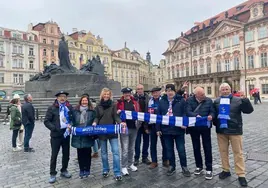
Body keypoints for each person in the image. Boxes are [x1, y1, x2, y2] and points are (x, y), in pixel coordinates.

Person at [213, 83, 254, 187]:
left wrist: (245, 99)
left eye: (227, 89)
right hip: (221, 131)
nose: (225, 91)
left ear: (230, 90)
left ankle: (241, 175)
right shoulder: (217, 101)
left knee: (238, 153)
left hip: (235, 130)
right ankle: (225, 170)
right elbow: (214, 115)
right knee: (223, 151)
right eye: (223, 89)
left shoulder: (238, 100)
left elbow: (249, 111)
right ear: (220, 91)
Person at [156, 84, 191, 177]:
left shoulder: (181, 100)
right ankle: (172, 166)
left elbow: (185, 113)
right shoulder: (162, 101)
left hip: (178, 130)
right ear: (166, 92)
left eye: (171, 91)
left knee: (181, 149)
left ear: (174, 92)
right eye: (168, 91)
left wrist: (185, 123)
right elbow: (158, 116)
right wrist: (158, 128)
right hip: (166, 130)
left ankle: (184, 166)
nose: (170, 92)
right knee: (169, 150)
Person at [93, 88, 123, 181]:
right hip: (102, 132)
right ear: (102, 95)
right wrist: (94, 122)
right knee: (104, 153)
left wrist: (120, 122)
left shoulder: (113, 105)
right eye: (105, 94)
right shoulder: (98, 106)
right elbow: (97, 117)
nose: (106, 96)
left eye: (108, 94)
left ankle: (117, 172)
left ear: (110, 95)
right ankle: (105, 169)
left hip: (112, 132)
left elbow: (115, 116)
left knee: (116, 153)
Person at [186, 87, 215, 180]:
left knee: (207, 147)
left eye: (204, 94)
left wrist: (211, 116)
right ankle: (199, 166)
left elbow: (213, 111)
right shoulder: (189, 100)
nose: (204, 96)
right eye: (201, 95)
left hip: (205, 127)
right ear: (196, 95)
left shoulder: (209, 100)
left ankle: (209, 169)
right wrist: (196, 116)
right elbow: (188, 111)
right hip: (194, 128)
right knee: (196, 147)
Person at [44, 91, 73, 184]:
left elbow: (73, 118)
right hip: (56, 135)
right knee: (54, 155)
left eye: (64, 96)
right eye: (60, 96)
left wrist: (71, 125)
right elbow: (46, 121)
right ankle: (52, 173)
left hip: (66, 134)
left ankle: (64, 170)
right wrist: (54, 128)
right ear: (57, 98)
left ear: (66, 98)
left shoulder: (69, 107)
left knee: (66, 154)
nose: (62, 98)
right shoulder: (52, 108)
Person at [71, 95, 95, 179]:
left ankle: (87, 169)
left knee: (88, 154)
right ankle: (82, 170)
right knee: (80, 154)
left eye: (86, 101)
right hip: (79, 136)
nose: (84, 102)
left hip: (88, 135)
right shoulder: (75, 111)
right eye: (83, 100)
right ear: (80, 101)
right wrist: (69, 125)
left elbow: (95, 120)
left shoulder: (92, 111)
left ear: (88, 101)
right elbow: (72, 120)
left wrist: (94, 125)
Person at [117, 87, 139, 176]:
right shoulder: (119, 103)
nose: (127, 94)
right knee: (125, 149)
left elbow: (139, 113)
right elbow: (116, 115)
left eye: (128, 93)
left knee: (131, 147)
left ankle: (130, 164)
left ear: (130, 93)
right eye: (125, 93)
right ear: (123, 94)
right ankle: (124, 166)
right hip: (124, 128)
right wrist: (118, 115)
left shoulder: (135, 102)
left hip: (134, 127)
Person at [145, 87, 168, 169]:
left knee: (164, 144)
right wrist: (146, 126)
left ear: (160, 92)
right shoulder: (149, 102)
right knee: (153, 145)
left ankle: (165, 160)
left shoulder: (164, 101)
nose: (155, 94)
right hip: (152, 125)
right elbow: (146, 114)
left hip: (162, 125)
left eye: (156, 92)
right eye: (153, 93)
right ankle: (154, 161)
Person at [133, 84, 151, 166]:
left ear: (143, 89)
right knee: (137, 141)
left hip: (146, 122)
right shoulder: (133, 98)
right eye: (138, 89)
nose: (139, 90)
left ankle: (145, 157)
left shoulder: (148, 98)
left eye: (141, 89)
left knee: (146, 141)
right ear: (136, 90)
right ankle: (136, 158)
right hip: (137, 123)